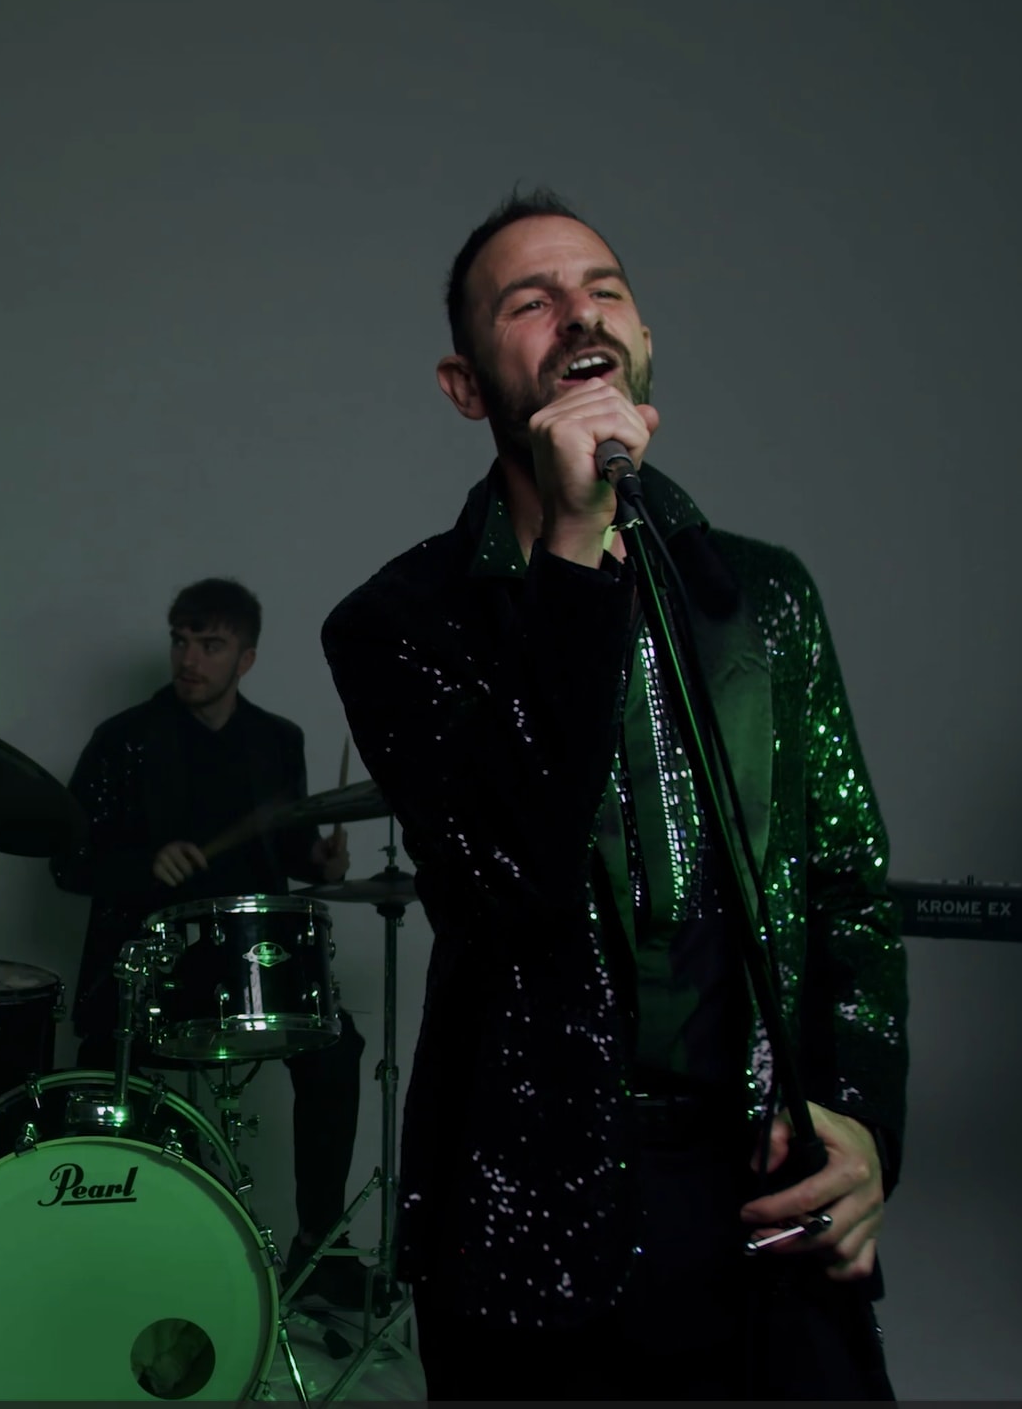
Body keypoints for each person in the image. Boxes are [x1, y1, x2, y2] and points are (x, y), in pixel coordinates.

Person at [320, 190, 906, 1398]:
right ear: (466, 386)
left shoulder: (762, 594)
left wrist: (855, 1117)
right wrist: (574, 543)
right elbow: (509, 880)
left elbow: (846, 884)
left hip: (765, 1173)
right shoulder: (398, 622)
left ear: (640, 343)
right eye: (528, 304)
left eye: (603, 291)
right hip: (534, 1202)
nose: (577, 315)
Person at [52, 577, 371, 1306]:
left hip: (250, 975)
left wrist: (319, 863)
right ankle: (122, 1260)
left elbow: (282, 851)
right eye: (181, 641)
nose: (189, 658)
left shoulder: (276, 741)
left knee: (337, 1044)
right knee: (102, 1062)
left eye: (211, 644)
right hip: (149, 975)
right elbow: (67, 861)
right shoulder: (123, 740)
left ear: (245, 658)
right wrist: (144, 863)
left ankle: (317, 1245)